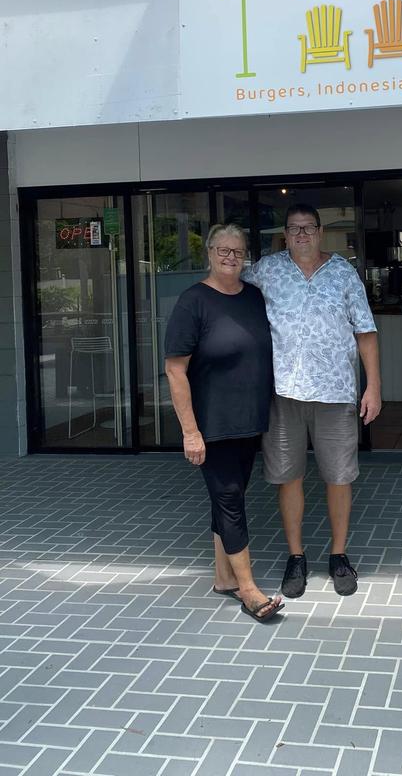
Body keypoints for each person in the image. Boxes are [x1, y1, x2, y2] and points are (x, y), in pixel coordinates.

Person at [243, 203, 381, 598]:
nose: (301, 235)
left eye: (308, 228)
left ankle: (338, 555)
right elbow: (230, 284)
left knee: (338, 476)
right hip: (283, 392)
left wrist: (373, 387)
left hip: (336, 392)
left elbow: (366, 332)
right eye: (294, 229)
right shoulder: (267, 270)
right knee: (289, 477)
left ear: (321, 232)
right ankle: (296, 556)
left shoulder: (342, 272)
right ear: (284, 234)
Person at [164, 223, 283, 623]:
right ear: (210, 253)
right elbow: (175, 371)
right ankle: (248, 589)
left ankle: (222, 578)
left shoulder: (252, 297)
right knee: (230, 498)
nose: (231, 258)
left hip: (248, 422)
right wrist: (190, 431)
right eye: (223, 250)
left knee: (229, 497)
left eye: (238, 251)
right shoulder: (193, 301)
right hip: (212, 424)